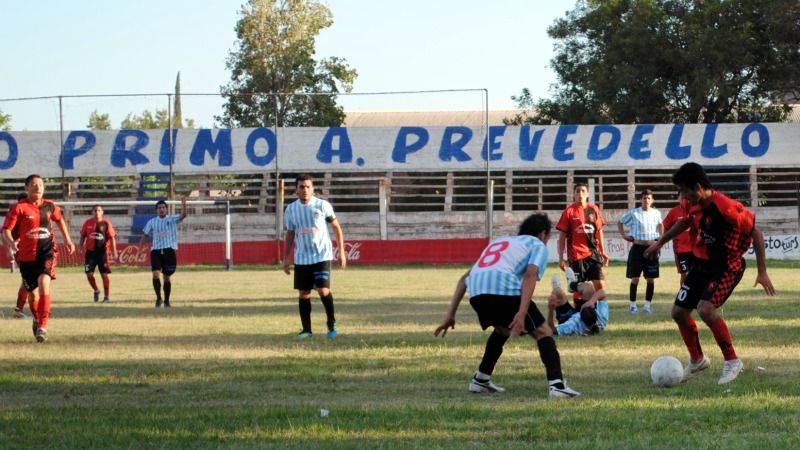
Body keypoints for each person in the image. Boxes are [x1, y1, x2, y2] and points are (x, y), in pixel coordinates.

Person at [644, 162, 776, 385]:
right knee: (678, 312)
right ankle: (698, 359)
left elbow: (758, 235)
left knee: (706, 309)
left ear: (697, 187)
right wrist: (659, 243)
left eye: (685, 191)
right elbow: (684, 223)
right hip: (701, 265)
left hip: (727, 267)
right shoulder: (691, 204)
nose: (682, 197)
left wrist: (762, 271)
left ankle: (732, 361)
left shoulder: (726, 208)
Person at [434, 213, 580, 399]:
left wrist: (450, 315)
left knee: (502, 330)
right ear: (543, 234)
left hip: (477, 292)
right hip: (502, 288)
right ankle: (557, 385)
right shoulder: (536, 245)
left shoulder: (501, 242)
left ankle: (481, 379)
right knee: (543, 332)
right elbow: (530, 274)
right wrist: (521, 312)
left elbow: (465, 278)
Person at [1, 174, 76, 342]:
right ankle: (36, 318)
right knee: (33, 297)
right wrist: (12, 243)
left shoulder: (50, 205)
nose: (38, 187)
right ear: (26, 188)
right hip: (26, 258)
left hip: (47, 252)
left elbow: (60, 220)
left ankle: (43, 326)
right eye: (34, 185)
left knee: (44, 283)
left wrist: (68, 240)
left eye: (41, 184)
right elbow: (6, 230)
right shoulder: (19, 208)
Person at [283, 175, 346, 340]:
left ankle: (331, 323)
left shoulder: (322, 205)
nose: (305, 190)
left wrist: (342, 252)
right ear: (296, 189)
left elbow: (336, 227)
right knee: (304, 293)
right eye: (301, 187)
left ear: (313, 189)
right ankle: (306, 330)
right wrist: (286, 258)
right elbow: (290, 233)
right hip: (302, 257)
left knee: (322, 290)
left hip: (321, 255)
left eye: (308, 187)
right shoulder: (290, 209)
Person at [556, 182, 609, 296]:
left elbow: (599, 230)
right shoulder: (569, 212)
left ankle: (598, 312)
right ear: (574, 194)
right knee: (580, 293)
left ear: (587, 194)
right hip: (576, 256)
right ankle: (579, 308)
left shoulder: (594, 209)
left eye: (583, 191)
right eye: (578, 191)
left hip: (593, 254)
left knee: (600, 289)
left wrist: (603, 250)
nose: (580, 193)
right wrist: (561, 257)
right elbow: (562, 237)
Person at [617, 188, 663, 315]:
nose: (646, 200)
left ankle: (647, 306)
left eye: (649, 198)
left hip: (651, 249)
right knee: (635, 278)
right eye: (644, 198)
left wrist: (660, 241)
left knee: (650, 279)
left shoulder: (656, 213)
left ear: (652, 200)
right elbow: (620, 222)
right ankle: (633, 305)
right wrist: (624, 235)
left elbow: (661, 225)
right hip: (637, 248)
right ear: (640, 200)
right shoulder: (633, 213)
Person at [140, 197, 188, 308]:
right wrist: (139, 249)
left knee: (166, 277)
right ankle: (158, 298)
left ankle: (166, 301)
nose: (161, 209)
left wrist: (184, 204)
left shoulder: (172, 219)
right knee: (156, 274)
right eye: (159, 208)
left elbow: (183, 215)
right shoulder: (152, 222)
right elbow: (145, 235)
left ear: (166, 209)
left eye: (163, 207)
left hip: (169, 250)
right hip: (156, 251)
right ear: (156, 210)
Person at [79, 204, 118, 304]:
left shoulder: (106, 223)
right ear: (92, 212)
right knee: (89, 274)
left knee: (104, 275)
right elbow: (83, 236)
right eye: (95, 210)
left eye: (99, 210)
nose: (97, 212)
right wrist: (80, 247)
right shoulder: (87, 223)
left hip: (102, 253)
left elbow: (112, 237)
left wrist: (114, 251)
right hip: (90, 253)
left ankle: (106, 297)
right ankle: (96, 290)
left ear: (102, 212)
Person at [661, 194, 694, 287]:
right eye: (682, 197)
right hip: (681, 250)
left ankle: (695, 297)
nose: (684, 200)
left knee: (695, 274)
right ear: (678, 198)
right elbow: (664, 226)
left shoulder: (695, 210)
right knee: (685, 274)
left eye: (686, 197)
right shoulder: (674, 212)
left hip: (695, 249)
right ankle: (683, 296)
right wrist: (665, 238)